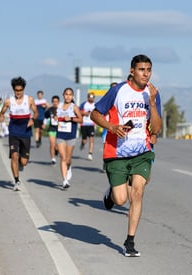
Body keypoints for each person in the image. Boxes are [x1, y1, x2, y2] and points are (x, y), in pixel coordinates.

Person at [90, 54, 162, 257]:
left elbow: (156, 128)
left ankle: (129, 242)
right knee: (121, 199)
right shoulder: (118, 90)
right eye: (141, 69)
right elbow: (94, 114)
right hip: (117, 151)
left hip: (142, 151)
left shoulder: (153, 93)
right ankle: (111, 193)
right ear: (132, 71)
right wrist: (112, 127)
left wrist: (153, 103)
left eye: (148, 70)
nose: (145, 74)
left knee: (137, 192)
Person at [0, 76, 38, 191]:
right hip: (14, 132)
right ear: (13, 90)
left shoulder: (29, 99)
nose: (18, 93)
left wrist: (33, 120)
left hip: (26, 132)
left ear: (23, 90)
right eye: (16, 91)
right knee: (14, 156)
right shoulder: (8, 101)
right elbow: (2, 113)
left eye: (20, 91)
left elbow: (35, 113)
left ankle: (21, 162)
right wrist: (1, 118)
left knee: (24, 162)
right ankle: (16, 181)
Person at [55, 88, 82, 189]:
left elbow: (80, 119)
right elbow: (55, 117)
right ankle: (65, 180)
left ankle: (69, 167)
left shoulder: (74, 107)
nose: (68, 96)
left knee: (68, 159)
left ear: (73, 96)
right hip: (60, 134)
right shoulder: (59, 106)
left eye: (70, 95)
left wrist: (71, 118)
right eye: (66, 94)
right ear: (63, 95)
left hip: (71, 135)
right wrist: (55, 118)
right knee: (62, 157)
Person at [43, 95, 60, 165]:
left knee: (58, 145)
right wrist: (44, 124)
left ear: (59, 102)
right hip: (52, 129)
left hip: (60, 129)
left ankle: (56, 150)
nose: (55, 103)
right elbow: (46, 117)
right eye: (54, 102)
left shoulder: (62, 109)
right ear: (52, 102)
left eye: (56, 101)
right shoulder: (50, 110)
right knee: (52, 144)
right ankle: (53, 159)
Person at [79, 92, 96, 160]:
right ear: (88, 97)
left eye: (92, 97)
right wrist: (84, 113)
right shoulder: (84, 104)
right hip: (84, 124)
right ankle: (82, 144)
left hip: (91, 124)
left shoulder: (95, 105)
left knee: (91, 139)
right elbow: (78, 111)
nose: (91, 99)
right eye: (90, 97)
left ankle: (90, 153)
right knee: (84, 140)